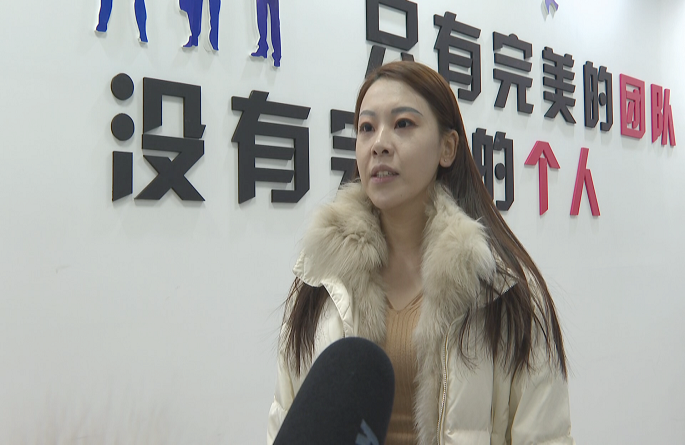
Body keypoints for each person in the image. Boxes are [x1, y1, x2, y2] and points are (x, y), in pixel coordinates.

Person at [267, 61, 574, 445]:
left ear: (447, 148)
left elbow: (544, 437)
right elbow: (286, 420)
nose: (379, 143)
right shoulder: (320, 277)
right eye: (366, 128)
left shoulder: (501, 288)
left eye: (403, 124)